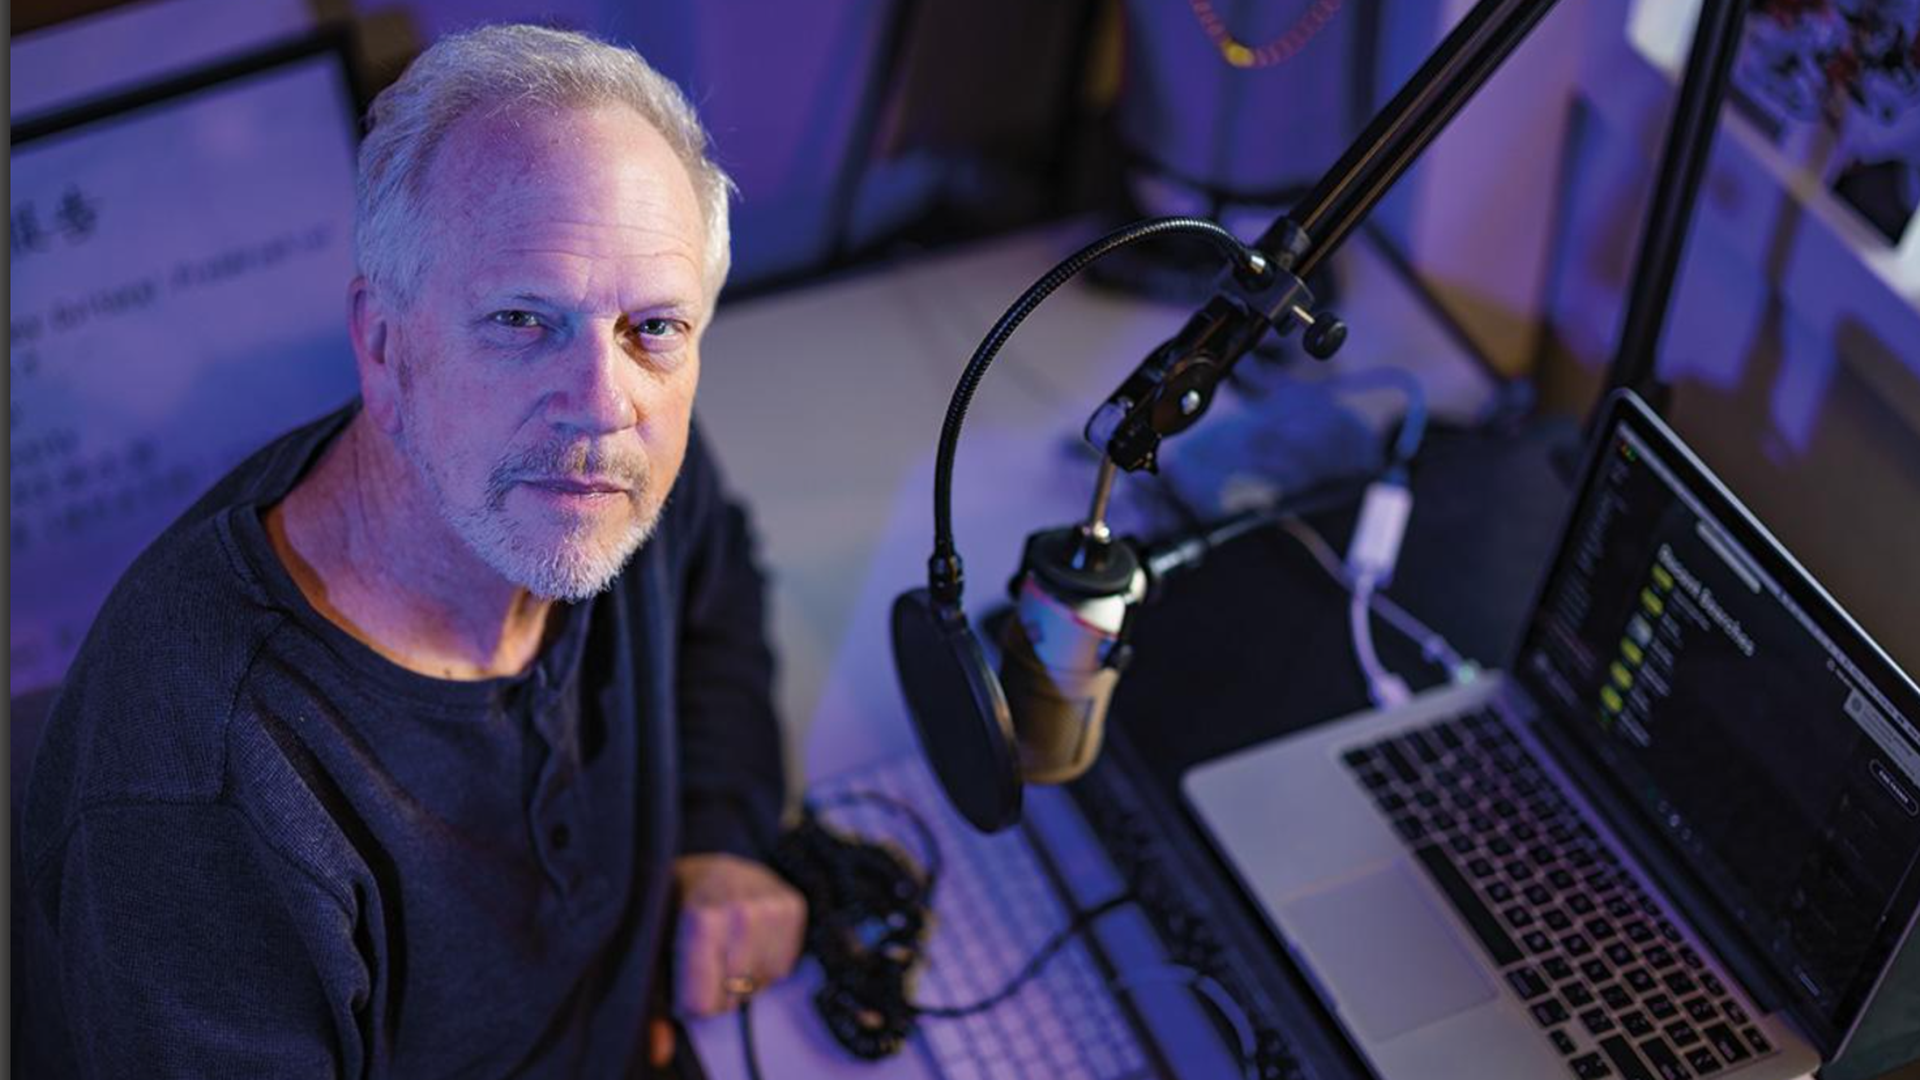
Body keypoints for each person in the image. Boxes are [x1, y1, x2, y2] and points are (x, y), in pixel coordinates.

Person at [19, 24, 806, 1077]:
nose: (602, 402)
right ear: (384, 344)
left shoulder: (605, 466)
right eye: (522, 319)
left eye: (655, 327)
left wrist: (717, 835)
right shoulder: (199, 797)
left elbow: (717, 603)